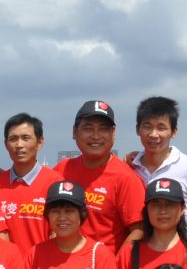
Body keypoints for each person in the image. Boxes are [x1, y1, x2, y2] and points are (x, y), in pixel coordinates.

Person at [58, 100, 144, 248]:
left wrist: (117, 261)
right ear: (74, 132)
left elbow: (139, 230)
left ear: (113, 134)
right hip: (62, 261)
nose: (96, 136)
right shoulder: (62, 169)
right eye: (88, 128)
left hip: (103, 261)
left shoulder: (126, 178)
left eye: (103, 129)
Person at [127, 96, 187, 228]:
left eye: (161, 128)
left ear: (174, 132)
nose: (153, 134)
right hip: (138, 240)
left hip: (179, 240)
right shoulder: (130, 167)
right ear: (137, 129)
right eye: (147, 127)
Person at [0, 112, 61, 252]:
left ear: (40, 142)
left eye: (25, 138)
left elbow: (58, 233)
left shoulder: (55, 183)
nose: (19, 145)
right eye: (13, 139)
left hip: (43, 263)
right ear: (6, 144)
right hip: (6, 264)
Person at [119, 178, 187, 269]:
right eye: (156, 205)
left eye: (170, 204)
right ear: (146, 210)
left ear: (182, 209)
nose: (163, 211)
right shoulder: (129, 252)